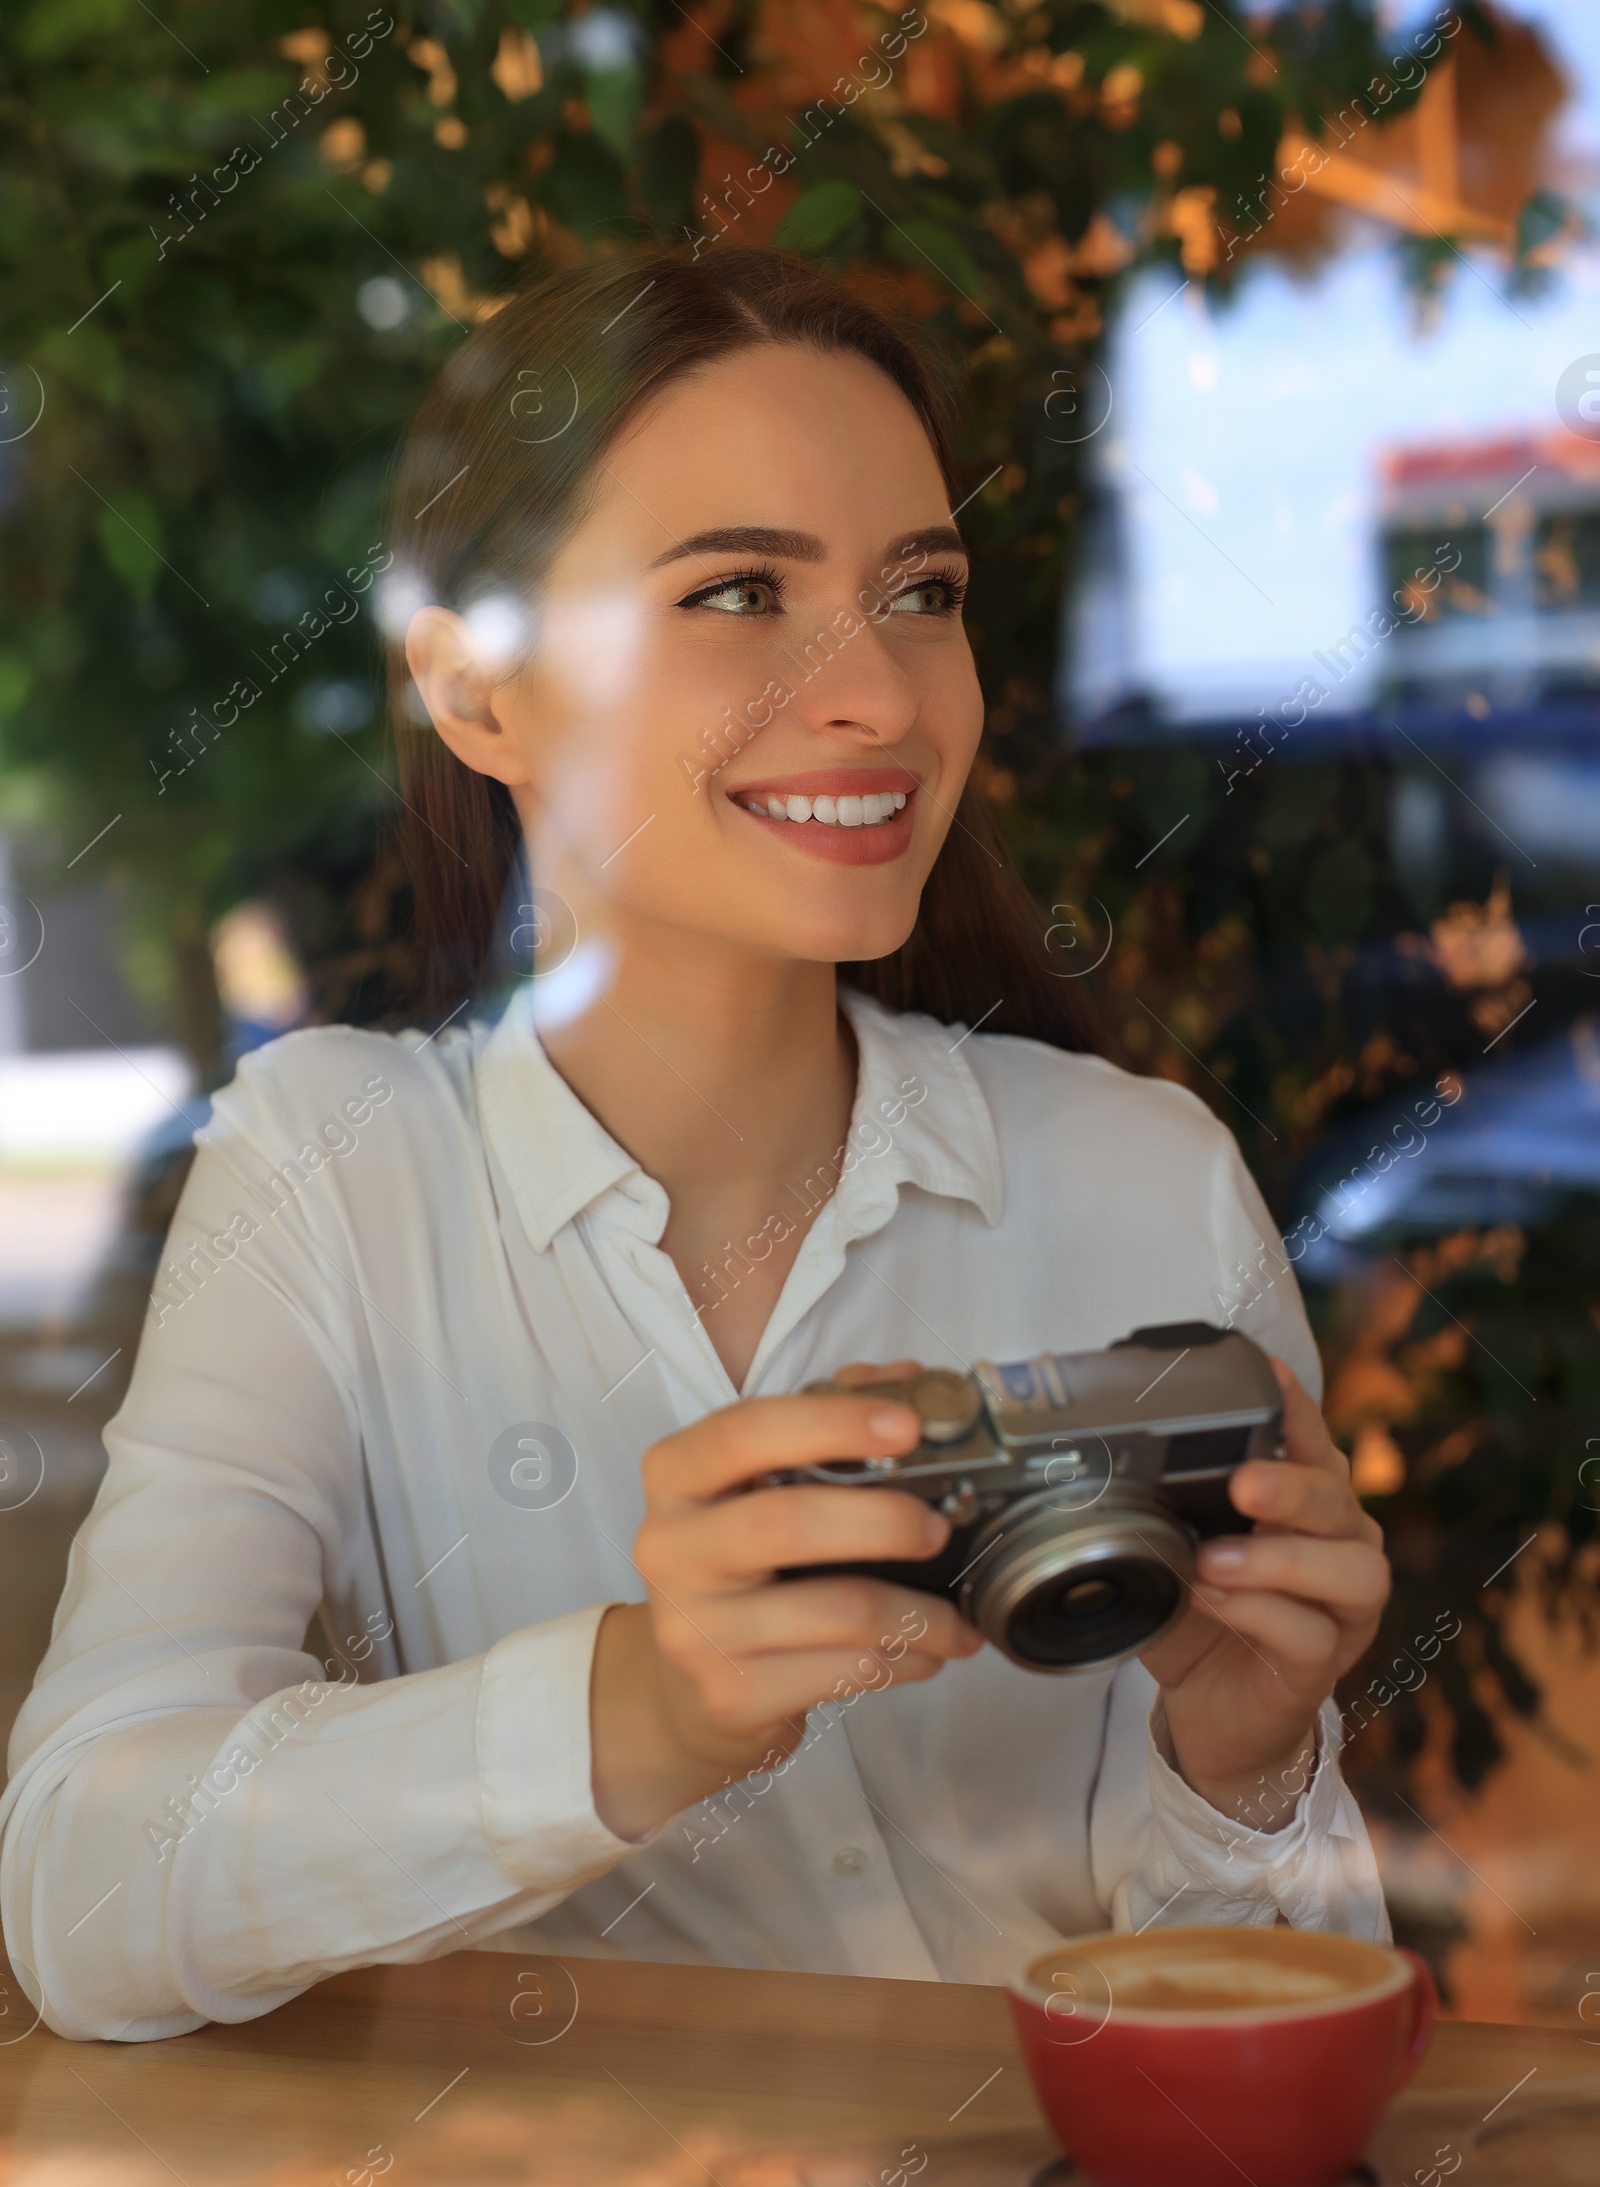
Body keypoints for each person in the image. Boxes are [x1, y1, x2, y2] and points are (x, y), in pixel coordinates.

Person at [0, 250, 1390, 2041]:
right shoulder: (336, 1167)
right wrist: (633, 1711)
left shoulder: (1145, 1177)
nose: (882, 698)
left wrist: (1250, 1758)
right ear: (477, 690)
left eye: (922, 591)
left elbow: (1277, 2021)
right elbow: (81, 1890)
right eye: (740, 591)